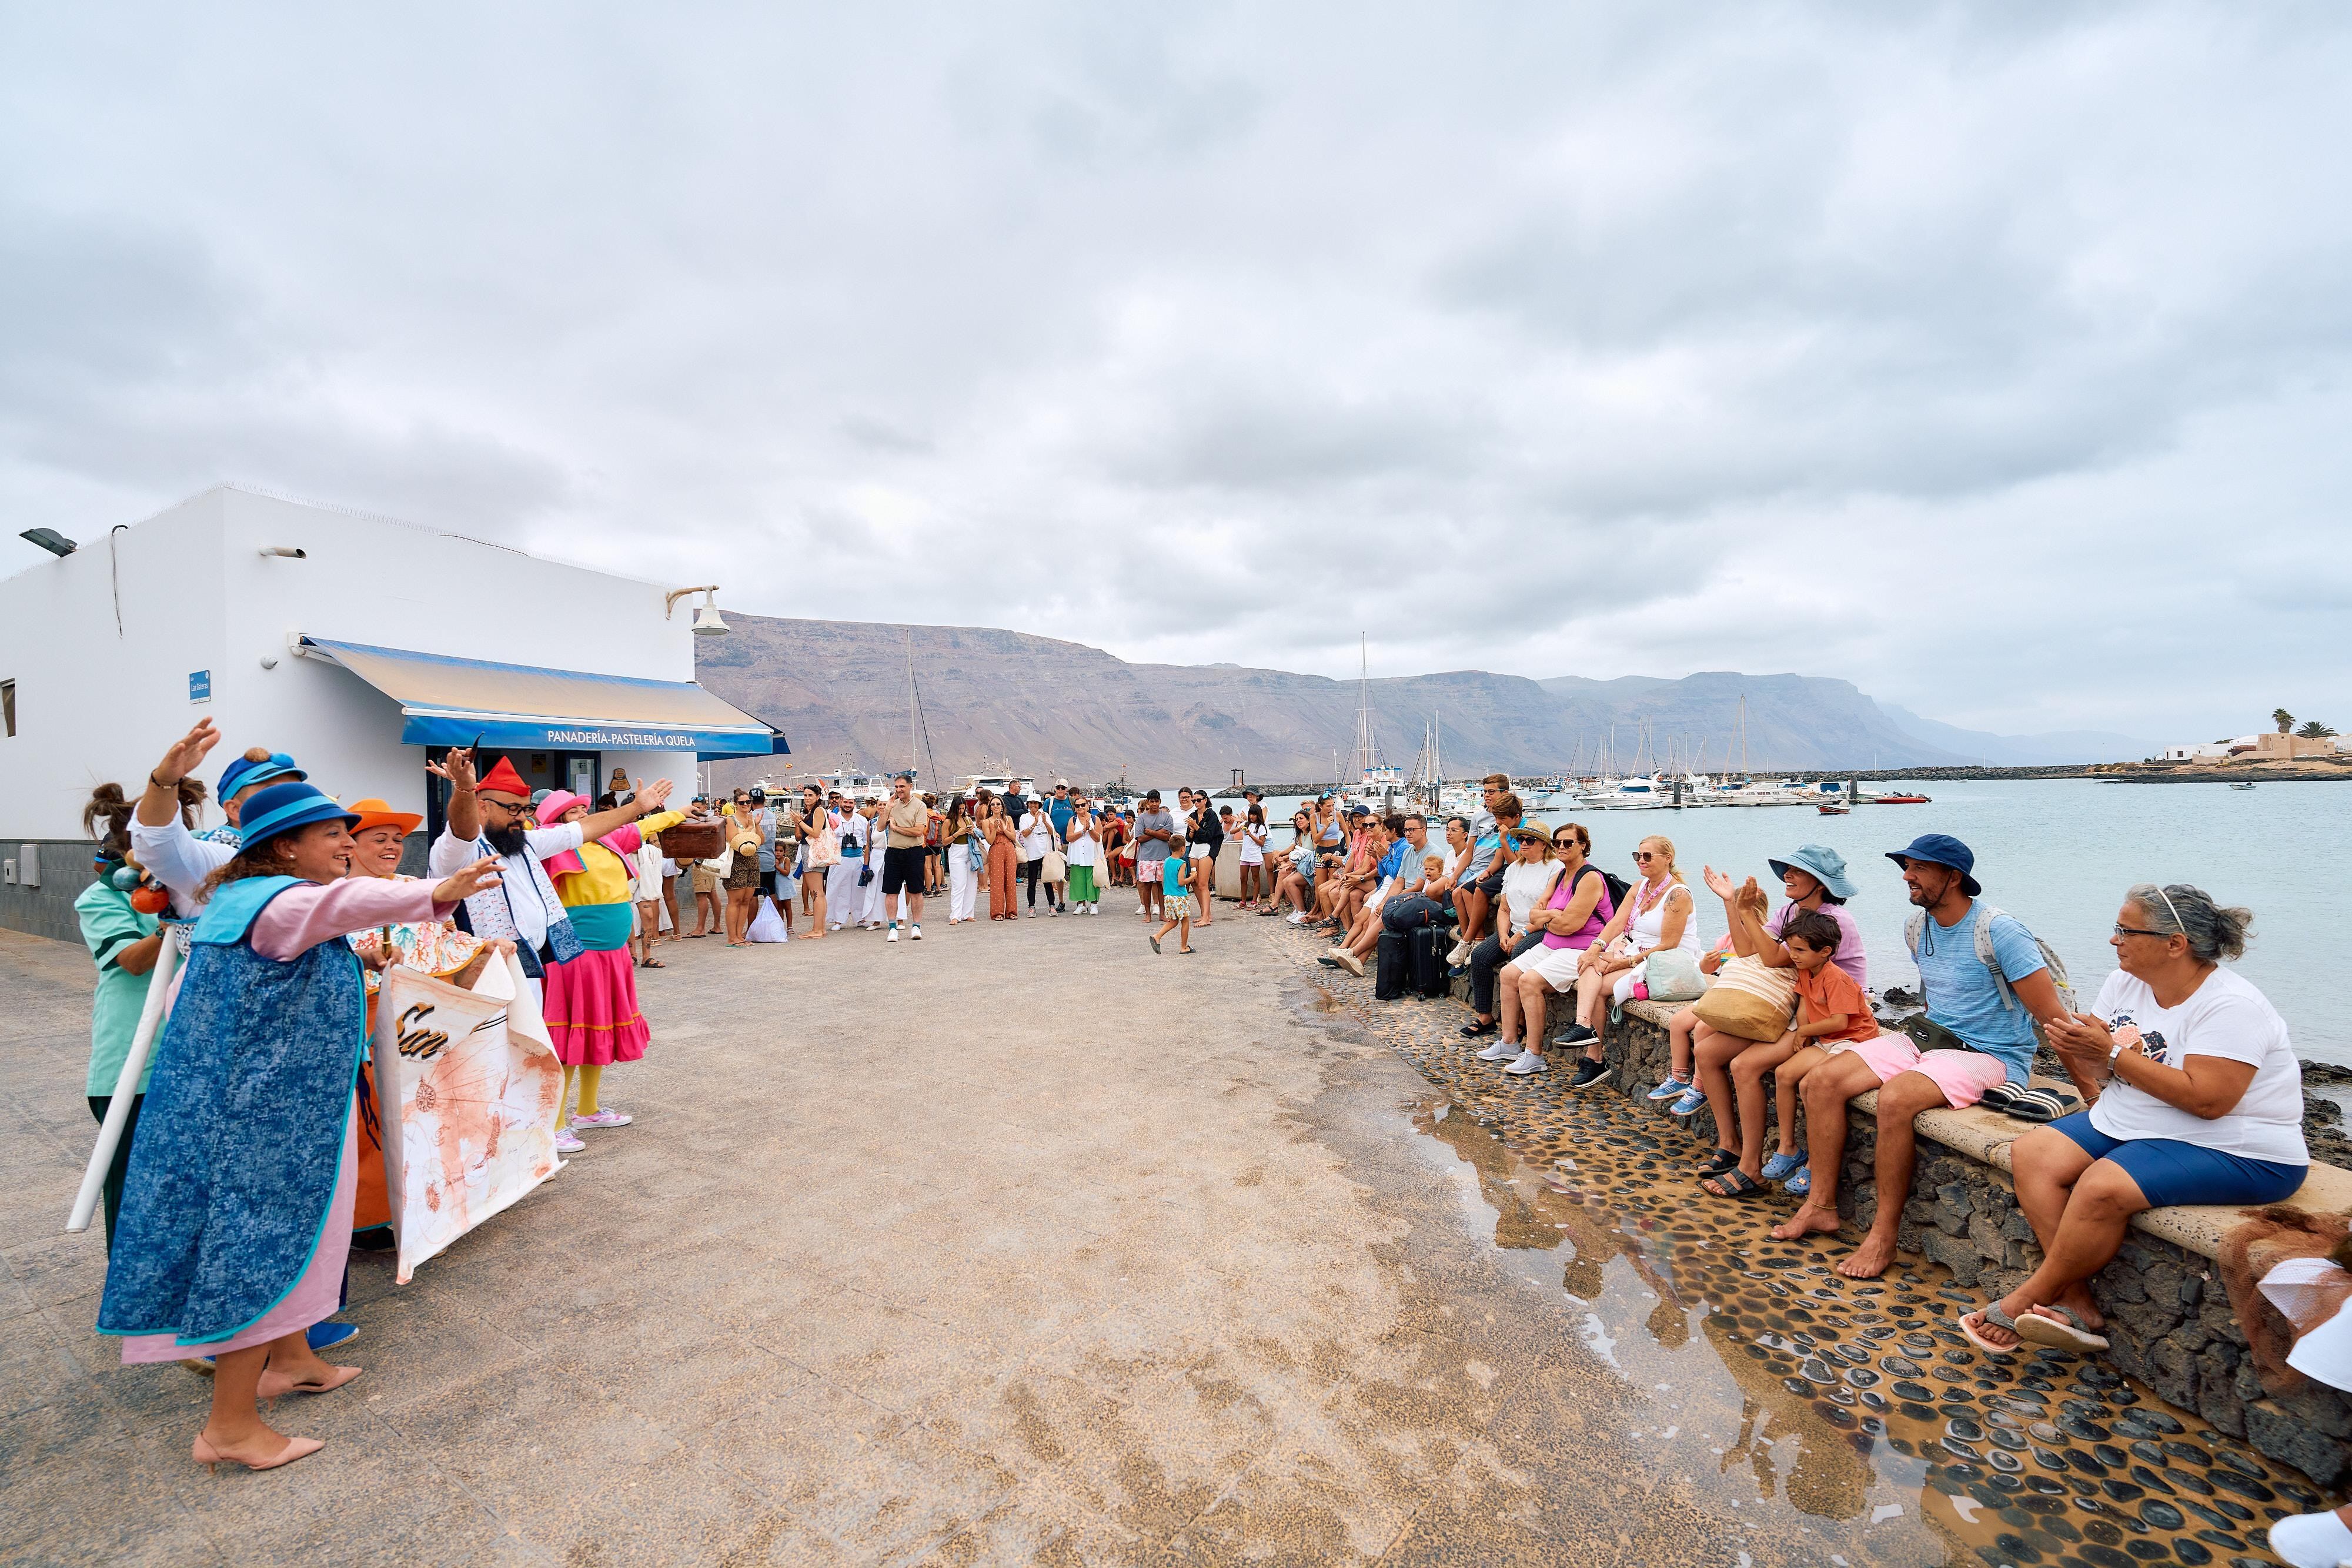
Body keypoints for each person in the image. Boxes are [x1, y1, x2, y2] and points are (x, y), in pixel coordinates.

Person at [96, 781, 503, 1473]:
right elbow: (343, 903)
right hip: (267, 1122)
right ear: (284, 848)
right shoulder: (282, 899)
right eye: (332, 836)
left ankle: (292, 1360)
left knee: (306, 1235)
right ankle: (229, 1427)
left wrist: (358, 963)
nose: (348, 844)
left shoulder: (241, 901)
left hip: (279, 1109)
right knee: (259, 1243)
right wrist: (437, 889)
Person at [1959, 884, 2307, 1358]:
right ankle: (2077, 1300)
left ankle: (2029, 1295)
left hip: (2236, 1146)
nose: (2114, 940)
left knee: (2102, 1185)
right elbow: (2107, 1066)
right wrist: (2085, 1047)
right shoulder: (2126, 981)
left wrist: (2113, 1054)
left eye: (2125, 930)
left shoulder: (2231, 1006)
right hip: (2139, 1121)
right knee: (2033, 1152)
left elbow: (2209, 1102)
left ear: (2175, 943)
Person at [1772, 835, 2072, 1279]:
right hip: (1928, 1037)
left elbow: (2054, 1018)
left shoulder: (2001, 931)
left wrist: (2089, 1088)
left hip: (1991, 1054)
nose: (1907, 876)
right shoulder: (1917, 927)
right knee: (1821, 1081)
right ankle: (1821, 1205)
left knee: (1895, 1098)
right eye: (1906, 866)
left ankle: (1883, 1236)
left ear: (1954, 877)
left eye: (1918, 868)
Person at [425, 750, 671, 1002]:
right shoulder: (458, 852)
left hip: (527, 971)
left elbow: (584, 828)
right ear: (483, 807)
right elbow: (462, 829)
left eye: (524, 809)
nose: (521, 818)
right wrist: (465, 790)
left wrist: (637, 807)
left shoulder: (527, 842)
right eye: (512, 809)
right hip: (479, 980)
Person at [1683, 845, 1868, 1158]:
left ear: (1820, 883)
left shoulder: (1835, 920)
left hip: (1827, 1016)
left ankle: (1751, 1164)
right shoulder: (1790, 911)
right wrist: (1732, 903)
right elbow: (1746, 950)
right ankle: (1729, 1144)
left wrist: (1745, 912)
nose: (1788, 875)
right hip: (1798, 1005)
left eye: (1797, 871)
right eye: (1787, 869)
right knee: (1705, 1052)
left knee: (1744, 1066)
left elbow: (1770, 959)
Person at [1698, 910, 1881, 1198]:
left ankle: (1808, 1160)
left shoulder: (1838, 979)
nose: (1791, 955)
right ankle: (1787, 1147)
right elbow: (1806, 1004)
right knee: (1784, 1074)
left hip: (1849, 1040)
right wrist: (1803, 1032)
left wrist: (1804, 1033)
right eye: (1790, 948)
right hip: (1823, 1038)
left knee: (1810, 1085)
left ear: (1825, 952)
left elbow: (1841, 1022)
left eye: (1798, 950)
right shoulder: (1808, 971)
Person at [529, 785, 683, 1129]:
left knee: (596, 1029)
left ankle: (586, 1110)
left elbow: (643, 827)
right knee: (568, 1036)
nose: (583, 816)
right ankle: (552, 1126)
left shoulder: (606, 840)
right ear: (557, 821)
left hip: (611, 953)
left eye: (583, 810)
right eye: (573, 813)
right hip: (574, 952)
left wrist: (682, 812)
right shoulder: (550, 845)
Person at [75, 783, 178, 1251]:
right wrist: (174, 923)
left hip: (183, 1059)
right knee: (132, 1186)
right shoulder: (99, 899)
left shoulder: (182, 891)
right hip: (129, 1070)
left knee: (176, 1184)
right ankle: (130, 1292)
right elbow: (133, 961)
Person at [1560, 834, 1699, 1090]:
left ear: (1668, 859)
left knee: (1599, 987)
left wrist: (1626, 962)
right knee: (1590, 964)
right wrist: (1595, 947)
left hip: (1665, 959)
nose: (1641, 861)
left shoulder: (1677, 894)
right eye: (1638, 856)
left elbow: (1669, 944)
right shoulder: (1639, 887)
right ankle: (1582, 1026)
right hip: (1637, 952)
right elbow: (1616, 922)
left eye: (1647, 856)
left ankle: (1594, 1057)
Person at [1485, 822, 1611, 1076]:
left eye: (1568, 843)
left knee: (1530, 982)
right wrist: (1551, 915)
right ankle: (1509, 1042)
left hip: (1581, 948)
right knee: (1509, 974)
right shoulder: (1560, 875)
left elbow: (1570, 925)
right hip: (1552, 944)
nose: (1562, 847)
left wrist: (1547, 916)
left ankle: (1534, 1055)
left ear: (1583, 847)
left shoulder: (1589, 878)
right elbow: (1534, 915)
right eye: (1558, 843)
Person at [1325, 814, 1438, 976]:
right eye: (1406, 830)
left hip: (1419, 898)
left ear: (1424, 830)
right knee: (1375, 917)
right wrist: (1386, 900)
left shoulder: (1430, 852)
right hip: (1402, 894)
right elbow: (1398, 881)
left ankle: (1353, 953)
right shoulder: (1409, 851)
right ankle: (1359, 962)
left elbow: (1419, 887)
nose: (1407, 833)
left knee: (1382, 918)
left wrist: (1390, 900)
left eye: (1412, 830)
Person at [880, 773, 929, 942]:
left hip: (913, 852)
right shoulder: (892, 805)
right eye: (896, 787)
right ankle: (893, 928)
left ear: (910, 787)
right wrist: (887, 809)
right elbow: (880, 828)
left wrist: (896, 828)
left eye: (902, 786)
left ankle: (916, 927)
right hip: (893, 852)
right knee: (891, 891)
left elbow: (918, 831)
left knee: (916, 891)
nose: (899, 790)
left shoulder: (920, 806)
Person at [794, 785, 833, 937]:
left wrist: (800, 822)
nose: (807, 798)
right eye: (805, 795)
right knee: (820, 893)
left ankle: (817, 929)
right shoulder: (811, 811)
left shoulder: (818, 811)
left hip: (812, 852)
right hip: (811, 851)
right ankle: (820, 928)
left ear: (818, 797)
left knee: (816, 892)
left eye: (811, 795)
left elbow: (816, 833)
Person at [1132, 790, 1175, 921]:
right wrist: (1159, 833)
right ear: (1148, 802)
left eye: (1157, 801)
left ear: (1160, 802)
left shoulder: (1167, 817)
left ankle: (1162, 914)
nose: (1154, 804)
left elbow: (1168, 837)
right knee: (1147, 886)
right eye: (1152, 801)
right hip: (1146, 857)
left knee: (1163, 886)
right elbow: (1140, 838)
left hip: (1163, 857)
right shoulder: (1142, 818)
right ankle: (1148, 914)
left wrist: (1150, 832)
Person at [1150, 834, 1195, 954]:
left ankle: (1157, 936)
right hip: (1179, 896)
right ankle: (1184, 947)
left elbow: (1166, 879)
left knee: (1174, 921)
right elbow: (1181, 882)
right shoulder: (1182, 863)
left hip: (1168, 896)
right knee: (1185, 921)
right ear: (1183, 848)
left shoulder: (1167, 861)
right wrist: (1192, 878)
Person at [1188, 788, 1223, 924]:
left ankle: (1206, 918)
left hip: (1207, 849)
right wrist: (1192, 829)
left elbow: (1208, 835)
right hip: (1195, 849)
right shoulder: (1193, 815)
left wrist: (1196, 827)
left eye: (1198, 800)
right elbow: (1189, 837)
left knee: (1203, 884)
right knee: (1195, 882)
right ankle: (1205, 914)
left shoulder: (1212, 815)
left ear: (1205, 801)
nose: (1196, 803)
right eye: (1194, 801)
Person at [984, 794, 1020, 921]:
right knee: (997, 882)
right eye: (993, 804)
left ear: (1002, 806)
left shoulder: (1008, 819)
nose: (995, 806)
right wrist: (994, 829)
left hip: (1009, 849)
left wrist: (1003, 828)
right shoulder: (986, 822)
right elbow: (989, 840)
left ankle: (1011, 911)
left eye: (998, 804)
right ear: (990, 807)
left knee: (1011, 880)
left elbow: (1013, 837)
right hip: (996, 849)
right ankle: (997, 912)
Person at [944, 796, 980, 923]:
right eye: (959, 809)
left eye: (963, 808)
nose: (961, 811)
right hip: (956, 852)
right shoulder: (948, 821)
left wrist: (972, 832)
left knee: (971, 884)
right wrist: (956, 834)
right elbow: (944, 841)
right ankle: (955, 915)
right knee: (959, 885)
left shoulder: (968, 819)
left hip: (969, 851)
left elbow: (977, 835)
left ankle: (968, 913)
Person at [1064, 797, 1101, 914]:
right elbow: (1069, 837)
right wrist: (1082, 832)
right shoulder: (1073, 820)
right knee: (1078, 879)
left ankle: (1094, 904)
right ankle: (1081, 905)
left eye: (1083, 805)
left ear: (1088, 805)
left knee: (1092, 879)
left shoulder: (1096, 819)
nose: (1080, 807)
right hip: (1078, 854)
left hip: (1092, 854)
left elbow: (1099, 838)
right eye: (1077, 806)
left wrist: (1090, 829)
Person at [1237, 805, 1269, 911]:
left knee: (1255, 878)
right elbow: (1232, 832)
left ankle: (1254, 902)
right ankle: (1243, 901)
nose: (1252, 816)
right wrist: (1239, 826)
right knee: (1243, 878)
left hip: (1255, 856)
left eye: (1254, 814)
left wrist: (1251, 835)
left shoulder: (1261, 827)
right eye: (1250, 814)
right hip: (1245, 855)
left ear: (1258, 815)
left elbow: (1262, 843)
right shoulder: (1246, 824)